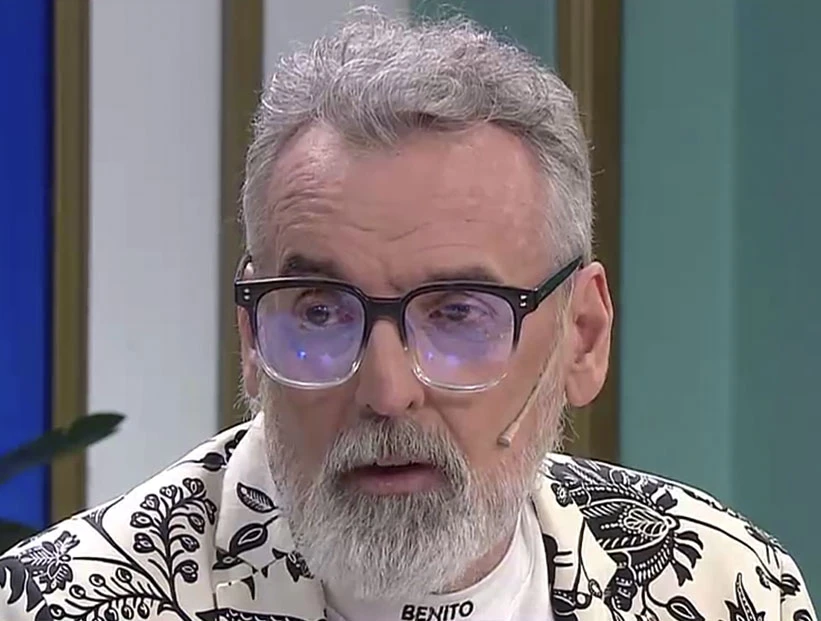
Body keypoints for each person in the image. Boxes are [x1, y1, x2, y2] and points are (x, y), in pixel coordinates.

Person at [1, 8, 815, 621]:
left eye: (457, 312)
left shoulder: (719, 584)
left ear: (582, 336)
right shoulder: (62, 604)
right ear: (250, 336)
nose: (386, 390)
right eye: (320, 310)